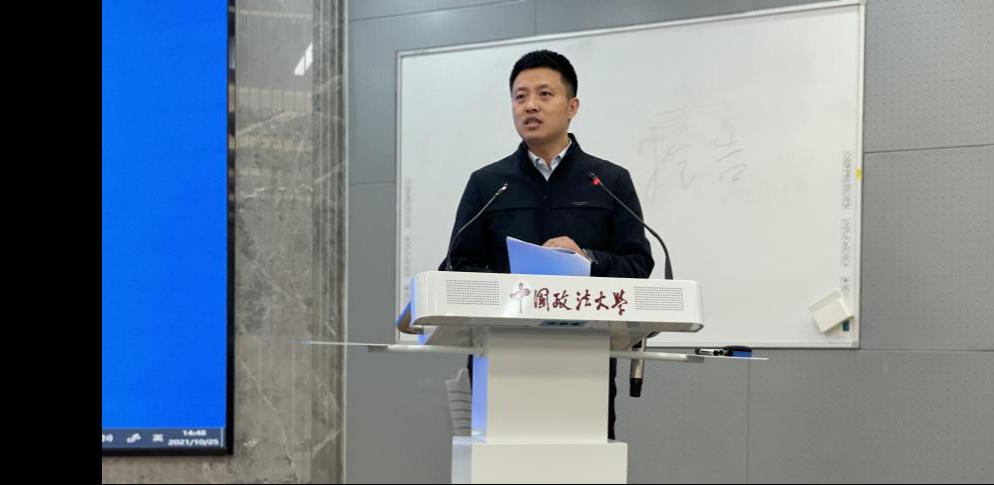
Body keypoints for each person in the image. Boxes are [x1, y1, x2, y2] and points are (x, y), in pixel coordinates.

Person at [438, 49, 654, 440]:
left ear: (572, 106)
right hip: (500, 356)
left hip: (585, 357)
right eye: (520, 97)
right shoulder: (488, 184)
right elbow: (457, 265)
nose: (530, 106)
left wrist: (586, 259)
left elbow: (638, 265)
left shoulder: (608, 181)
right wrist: (511, 282)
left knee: (582, 461)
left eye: (544, 94)